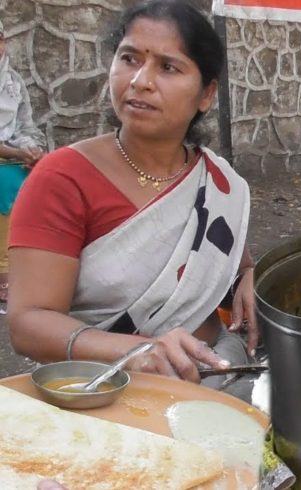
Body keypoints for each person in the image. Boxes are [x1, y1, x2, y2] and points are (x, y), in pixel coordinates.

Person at [7, 0, 258, 385]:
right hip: (103, 386)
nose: (140, 80)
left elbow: (228, 256)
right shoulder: (62, 178)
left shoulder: (216, 181)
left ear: (206, 94)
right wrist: (136, 352)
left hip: (219, 370)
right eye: (129, 58)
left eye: (168, 67)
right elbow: (28, 324)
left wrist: (250, 276)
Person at [0, 19, 46, 306]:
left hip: (10, 158)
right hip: (5, 162)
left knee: (39, 181)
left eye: (0, 37)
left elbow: (27, 126)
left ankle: (27, 268)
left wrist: (33, 150)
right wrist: (16, 155)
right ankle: (4, 273)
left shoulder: (13, 83)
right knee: (7, 185)